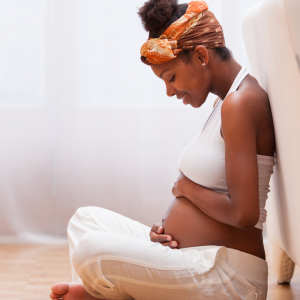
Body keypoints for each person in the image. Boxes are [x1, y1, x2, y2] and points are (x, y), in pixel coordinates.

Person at [50, 1, 275, 299]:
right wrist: (167, 232)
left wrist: (185, 188)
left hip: (231, 278)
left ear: (200, 55)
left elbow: (244, 215)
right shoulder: (225, 101)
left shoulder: (240, 103)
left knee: (92, 251)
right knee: (86, 219)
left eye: (170, 77)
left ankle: (101, 294)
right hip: (195, 258)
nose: (169, 91)